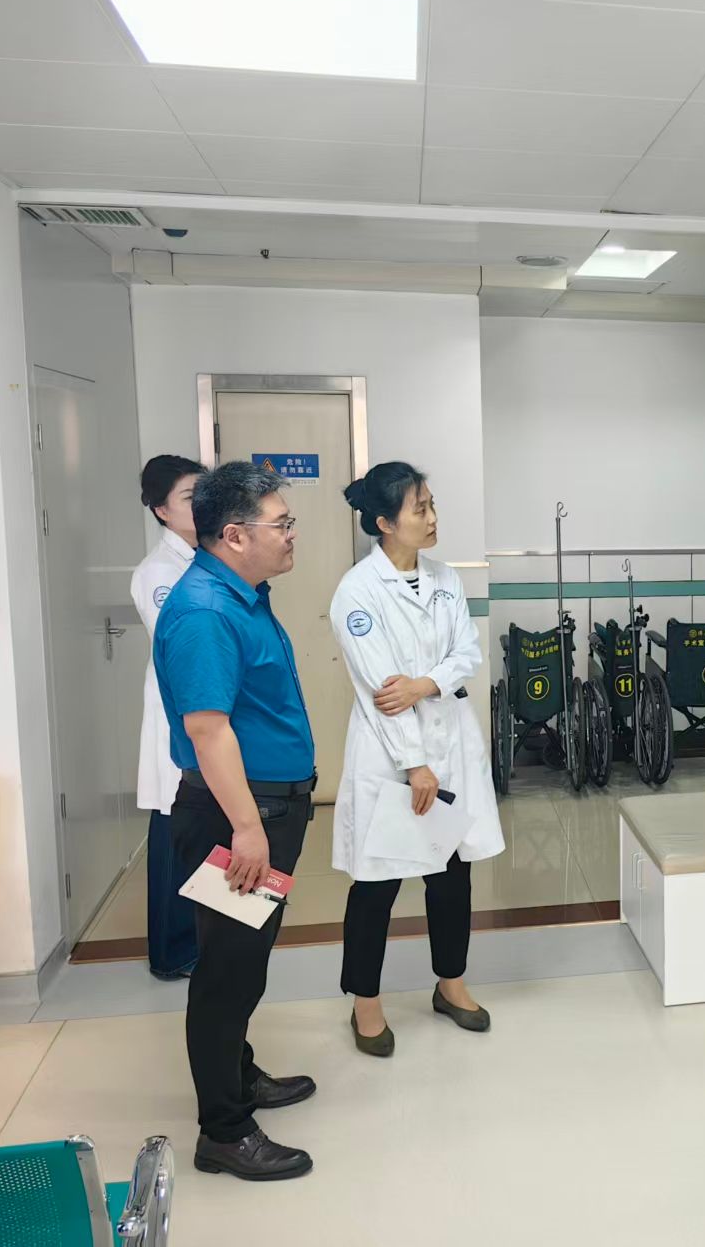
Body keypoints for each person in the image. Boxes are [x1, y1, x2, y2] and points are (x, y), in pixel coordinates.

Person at [154, 460, 319, 1181]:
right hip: (238, 818)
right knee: (226, 972)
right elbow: (208, 729)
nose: (291, 534)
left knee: (243, 963)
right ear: (234, 535)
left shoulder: (242, 595)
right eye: (281, 523)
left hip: (264, 808)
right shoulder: (204, 611)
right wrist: (248, 830)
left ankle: (239, 1075)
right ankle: (223, 1130)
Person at [330, 462, 504, 1057]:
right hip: (391, 757)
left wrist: (425, 684)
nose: (432, 518)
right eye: (419, 509)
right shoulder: (356, 592)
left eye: (432, 505)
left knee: (451, 877)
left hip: (448, 744)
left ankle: (450, 983)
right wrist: (414, 764)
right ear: (385, 522)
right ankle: (365, 1003)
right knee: (376, 886)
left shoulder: (444, 579)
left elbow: (467, 653)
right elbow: (381, 689)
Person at [130, 455, 206, 981]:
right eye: (188, 497)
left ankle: (202, 941)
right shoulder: (159, 572)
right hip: (182, 720)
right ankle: (173, 952)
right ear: (161, 510)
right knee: (175, 835)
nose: (201, 505)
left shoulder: (201, 560)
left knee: (202, 831)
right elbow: (185, 647)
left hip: (206, 720)